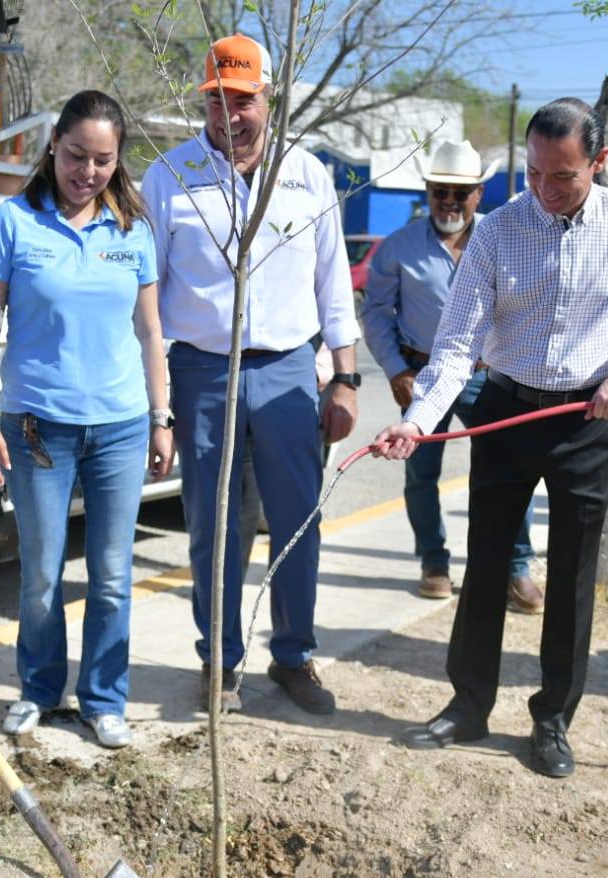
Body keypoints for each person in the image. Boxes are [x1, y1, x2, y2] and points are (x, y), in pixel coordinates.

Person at [372, 98, 608, 778]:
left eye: (561, 177)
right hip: (506, 415)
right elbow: (455, 344)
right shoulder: (497, 231)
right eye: (533, 173)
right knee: (485, 567)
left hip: (589, 422)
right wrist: (417, 421)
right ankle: (466, 706)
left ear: (597, 163)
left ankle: (552, 720)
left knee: (569, 580)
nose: (543, 191)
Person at [141, 33, 360, 716]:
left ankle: (292, 656)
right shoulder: (169, 176)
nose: (227, 116)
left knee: (296, 522)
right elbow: (145, 296)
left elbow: (332, 285)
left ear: (267, 96)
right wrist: (158, 404)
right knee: (213, 526)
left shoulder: (305, 175)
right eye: (215, 101)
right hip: (202, 372)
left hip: (290, 369)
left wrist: (345, 377)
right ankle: (220, 663)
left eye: (242, 99)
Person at [0, 90, 173, 750]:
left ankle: (104, 697)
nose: (87, 171)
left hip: (119, 424)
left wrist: (160, 417)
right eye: (76, 155)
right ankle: (37, 690)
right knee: (42, 575)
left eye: (103, 160)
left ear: (119, 162)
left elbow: (149, 331)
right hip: (34, 425)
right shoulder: (13, 222)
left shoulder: (132, 229)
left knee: (112, 576)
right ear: (53, 145)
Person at [362, 140, 545, 609]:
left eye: (460, 192)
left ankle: (516, 566)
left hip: (491, 376)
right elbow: (377, 314)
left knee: (507, 473)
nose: (449, 201)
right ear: (428, 190)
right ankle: (433, 561)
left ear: (479, 194)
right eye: (440, 190)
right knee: (421, 475)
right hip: (420, 375)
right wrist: (396, 370)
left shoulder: (505, 240)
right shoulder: (398, 248)